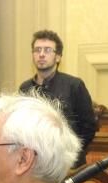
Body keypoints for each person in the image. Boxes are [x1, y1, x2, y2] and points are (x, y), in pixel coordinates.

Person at [19, 29, 96, 168]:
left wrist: (71, 152)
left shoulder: (74, 85)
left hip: (67, 164)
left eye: (47, 50)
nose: (41, 54)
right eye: (37, 50)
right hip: (33, 164)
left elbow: (89, 126)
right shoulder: (24, 88)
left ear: (58, 56)